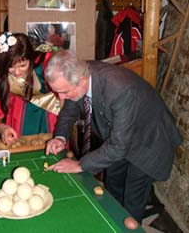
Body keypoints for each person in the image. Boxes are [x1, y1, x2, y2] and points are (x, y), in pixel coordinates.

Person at [45, 50, 182, 224]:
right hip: (120, 135)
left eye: (64, 92)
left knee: (133, 198)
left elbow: (118, 146)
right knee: (113, 184)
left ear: (82, 81)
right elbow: (69, 110)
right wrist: (60, 138)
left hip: (148, 140)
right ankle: (112, 223)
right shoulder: (79, 72)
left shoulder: (120, 89)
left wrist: (80, 165)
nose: (61, 97)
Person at [0, 32, 60, 146]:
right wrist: (2, 128)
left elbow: (64, 96)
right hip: (17, 130)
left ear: (31, 58)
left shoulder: (45, 66)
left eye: (23, 65)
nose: (17, 72)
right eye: (11, 67)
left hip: (50, 126)